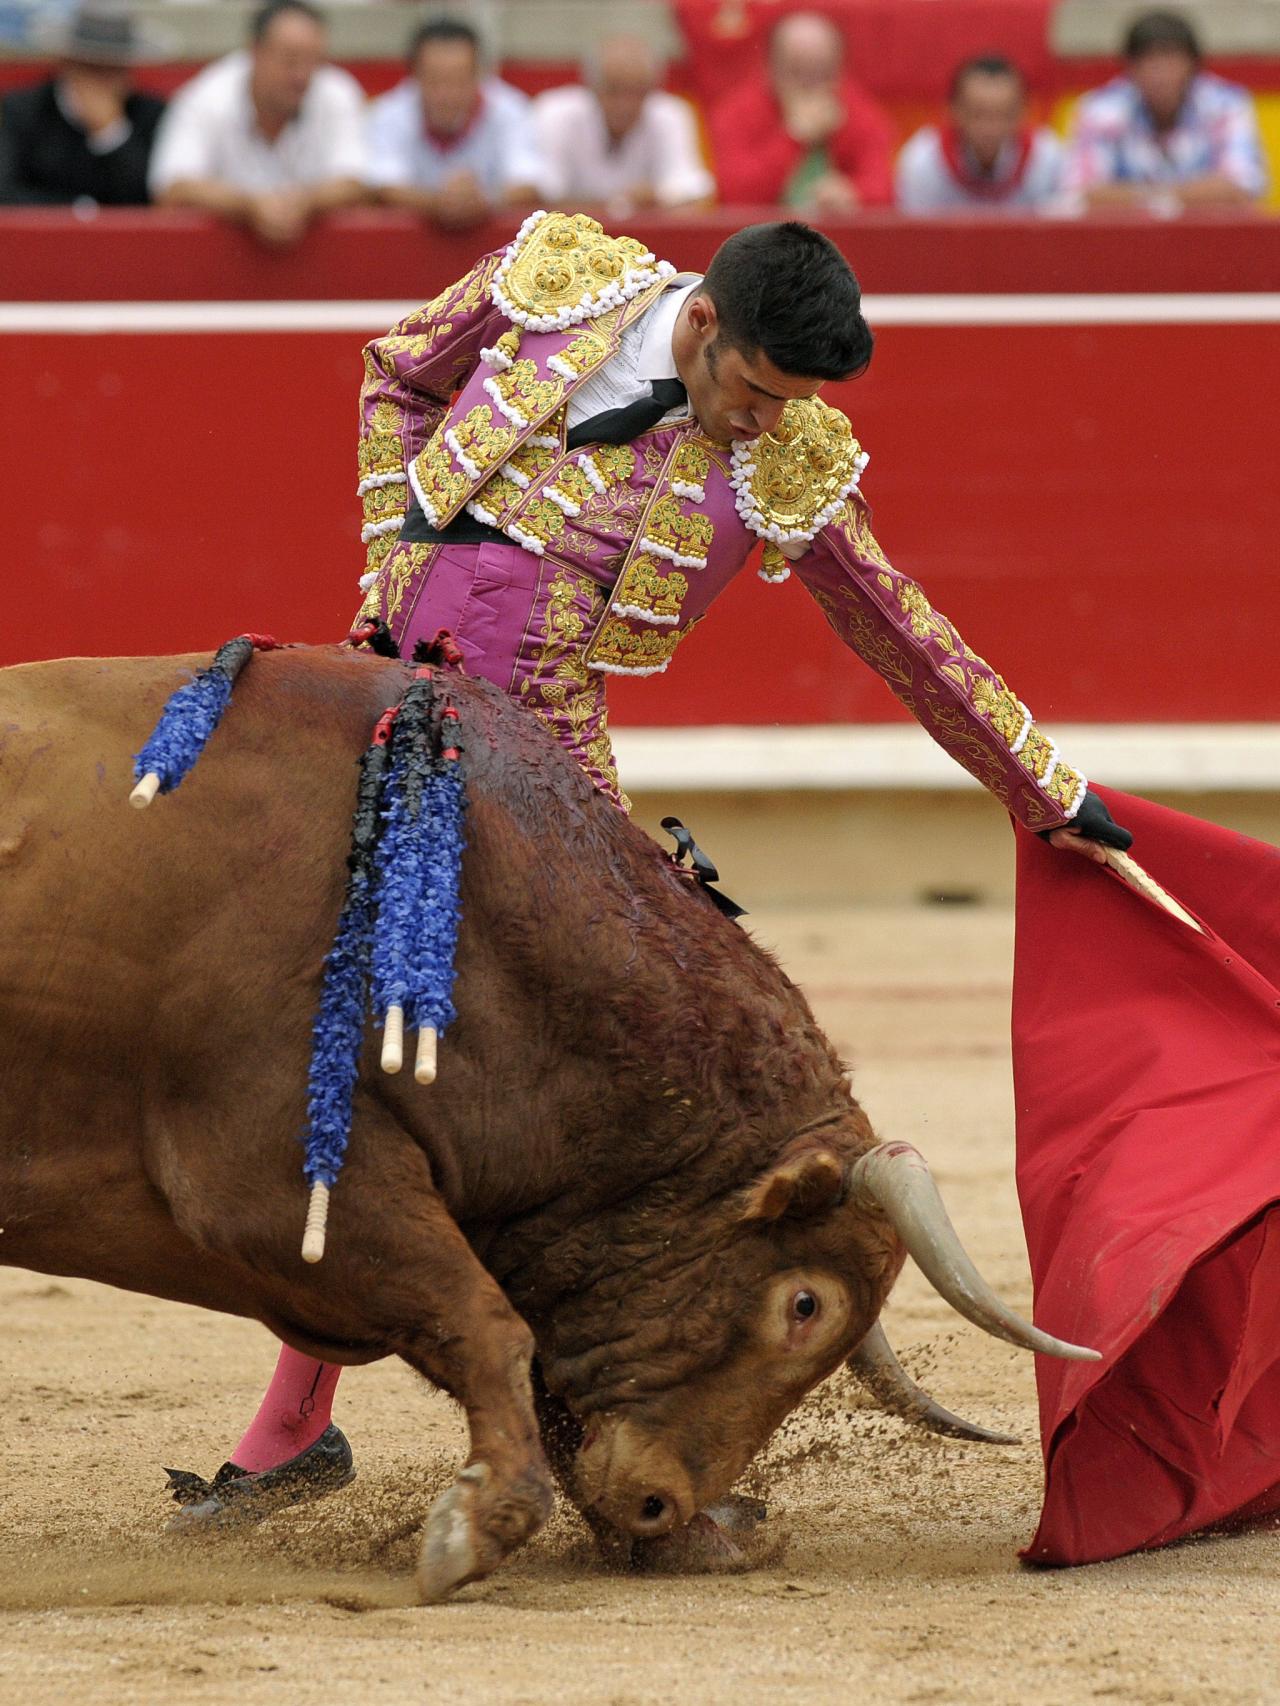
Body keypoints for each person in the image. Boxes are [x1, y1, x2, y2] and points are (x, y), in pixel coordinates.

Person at [163, 211, 1132, 1526]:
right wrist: (395, 545)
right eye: (754, 388)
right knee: (304, 1024)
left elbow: (906, 634)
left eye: (791, 403)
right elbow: (396, 367)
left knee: (457, 1070)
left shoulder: (783, 462)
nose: (763, 420)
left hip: (540, 788)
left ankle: (550, 1393)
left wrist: (1048, 790)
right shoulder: (556, 283)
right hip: (373, 710)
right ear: (705, 322)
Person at [148, 0, 367, 247]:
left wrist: (305, 202)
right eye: (290, 59)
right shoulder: (205, 98)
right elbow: (172, 189)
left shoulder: (337, 92)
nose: (301, 75)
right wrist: (248, 205)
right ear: (255, 51)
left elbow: (356, 182)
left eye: (313, 60)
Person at [1064, 10, 1268, 212]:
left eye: (1170, 59)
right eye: (1149, 60)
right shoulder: (1099, 110)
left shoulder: (1226, 105)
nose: (1160, 72)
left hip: (1210, 239)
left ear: (1193, 64)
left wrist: (1138, 196)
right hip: (1123, 240)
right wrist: (1179, 196)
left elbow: (1240, 187)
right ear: (1130, 67)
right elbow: (1084, 193)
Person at [363, 17, 547, 231]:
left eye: (459, 80)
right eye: (435, 80)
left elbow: (529, 181)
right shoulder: (389, 113)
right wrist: (437, 203)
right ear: (414, 75)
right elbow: (382, 184)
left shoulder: (512, 109)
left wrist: (484, 200)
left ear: (479, 74)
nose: (447, 94)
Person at [708, 11, 894, 212]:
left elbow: (885, 191)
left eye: (822, 73)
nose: (810, 86)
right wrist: (794, 137)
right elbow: (736, 198)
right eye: (797, 72)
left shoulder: (859, 111)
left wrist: (853, 194)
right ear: (771, 69)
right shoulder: (736, 114)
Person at [0, 3, 167, 206]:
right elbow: (6, 192)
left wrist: (111, 132)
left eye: (113, 70)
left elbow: (151, 198)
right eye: (92, 68)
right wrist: (78, 211)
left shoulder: (150, 114)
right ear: (67, 65)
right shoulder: (23, 111)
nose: (101, 83)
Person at [532, 34, 714, 217]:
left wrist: (655, 196)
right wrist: (627, 203)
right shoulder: (555, 113)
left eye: (638, 91)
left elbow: (696, 195)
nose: (625, 104)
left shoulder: (671, 114)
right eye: (614, 90)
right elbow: (539, 196)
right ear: (591, 87)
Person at [895, 56, 1064, 214]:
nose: (989, 128)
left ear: (1023, 111)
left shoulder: (1046, 159)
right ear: (952, 109)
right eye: (977, 114)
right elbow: (916, 239)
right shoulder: (924, 161)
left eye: (1002, 114)